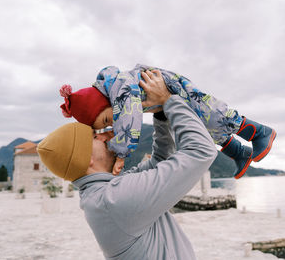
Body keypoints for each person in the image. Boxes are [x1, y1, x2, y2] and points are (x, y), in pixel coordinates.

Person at [37, 73, 217, 259]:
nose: (104, 135)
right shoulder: (115, 199)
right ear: (86, 159)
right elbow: (201, 151)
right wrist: (170, 100)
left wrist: (161, 112)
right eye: (93, 137)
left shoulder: (104, 193)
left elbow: (160, 161)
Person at [59, 64, 276, 179]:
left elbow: (129, 119)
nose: (113, 122)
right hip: (167, 100)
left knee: (217, 115)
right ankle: (239, 153)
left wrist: (121, 154)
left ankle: (259, 132)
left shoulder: (120, 87)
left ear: (104, 100)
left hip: (177, 89)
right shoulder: (116, 95)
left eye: (107, 118)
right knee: (207, 128)